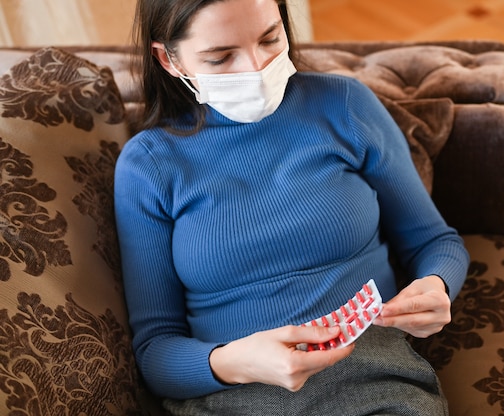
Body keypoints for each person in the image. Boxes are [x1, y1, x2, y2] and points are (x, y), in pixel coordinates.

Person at [114, 0, 470, 414]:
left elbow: (436, 241)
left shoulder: (345, 106)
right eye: (221, 57)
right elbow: (156, 351)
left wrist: (437, 284)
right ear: (168, 59)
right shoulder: (149, 165)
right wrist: (233, 362)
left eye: (270, 38)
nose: (257, 67)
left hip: (374, 379)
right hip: (236, 398)